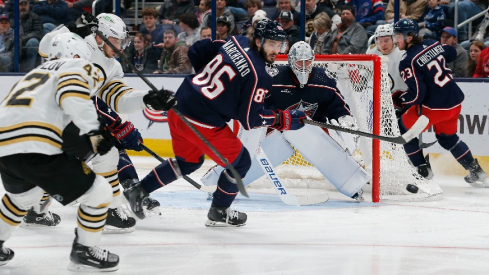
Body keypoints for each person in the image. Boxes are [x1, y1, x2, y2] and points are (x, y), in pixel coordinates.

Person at [122, 20, 307, 227]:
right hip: (201, 123)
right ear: (258, 40)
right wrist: (284, 119)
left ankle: (139, 190)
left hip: (179, 104)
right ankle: (219, 210)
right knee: (242, 162)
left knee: (188, 162)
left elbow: (197, 50)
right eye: (271, 44)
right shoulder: (259, 75)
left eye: (280, 45)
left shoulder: (237, 41)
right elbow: (250, 120)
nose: (276, 50)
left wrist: (208, 84)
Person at [38, 12, 175, 232]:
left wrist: (146, 99)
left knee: (67, 162)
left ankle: (35, 208)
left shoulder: (113, 66)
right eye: (118, 41)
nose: (121, 47)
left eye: (123, 41)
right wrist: (68, 28)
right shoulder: (78, 45)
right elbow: (45, 49)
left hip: (67, 117)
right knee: (105, 153)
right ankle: (108, 210)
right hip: (54, 113)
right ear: (101, 37)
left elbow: (118, 99)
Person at [0, 32, 119, 271]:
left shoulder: (34, 73)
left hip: (4, 145)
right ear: (76, 55)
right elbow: (72, 93)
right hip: (35, 145)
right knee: (100, 193)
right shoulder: (78, 65)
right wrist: (94, 132)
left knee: (23, 198)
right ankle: (84, 251)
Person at [201, 41, 370, 201]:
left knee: (318, 139)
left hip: (311, 129)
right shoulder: (274, 78)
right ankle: (218, 182)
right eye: (299, 63)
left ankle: (353, 184)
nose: (304, 67)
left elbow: (339, 108)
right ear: (290, 61)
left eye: (307, 62)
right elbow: (256, 105)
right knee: (250, 138)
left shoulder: (324, 80)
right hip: (276, 125)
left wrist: (345, 121)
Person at [392, 18, 487, 186]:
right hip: (454, 102)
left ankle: (422, 170)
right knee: (447, 138)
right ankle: (475, 171)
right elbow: (451, 53)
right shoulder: (431, 43)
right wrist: (435, 52)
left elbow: (417, 96)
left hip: (433, 108)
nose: (395, 40)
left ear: (409, 37)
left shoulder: (407, 61)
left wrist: (399, 100)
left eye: (398, 36)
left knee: (402, 129)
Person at [14, 0, 44, 72]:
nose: (23, 7)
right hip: (13, 42)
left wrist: (23, 39)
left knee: (33, 42)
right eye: (21, 5)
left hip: (27, 42)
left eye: (25, 5)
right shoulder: (11, 17)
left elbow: (38, 33)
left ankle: (28, 71)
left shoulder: (34, 17)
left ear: (28, 6)